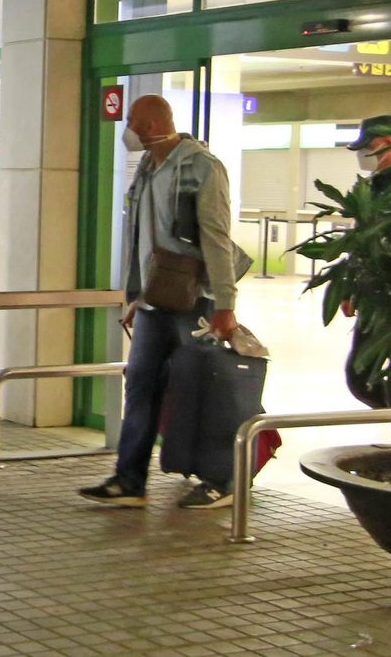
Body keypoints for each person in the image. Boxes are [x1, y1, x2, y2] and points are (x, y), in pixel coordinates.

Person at [79, 95, 242, 509]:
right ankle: (129, 479)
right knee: (140, 386)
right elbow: (139, 239)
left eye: (131, 119)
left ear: (151, 124)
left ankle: (220, 479)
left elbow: (216, 237)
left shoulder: (201, 167)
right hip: (154, 302)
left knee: (202, 388)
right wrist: (135, 296)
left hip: (195, 300)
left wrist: (225, 302)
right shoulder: (148, 168)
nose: (126, 126)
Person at [341, 112, 391, 410]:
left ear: (388, 143)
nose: (363, 155)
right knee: (360, 376)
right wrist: (350, 287)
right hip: (374, 297)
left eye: (367, 147)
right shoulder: (375, 185)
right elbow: (363, 238)